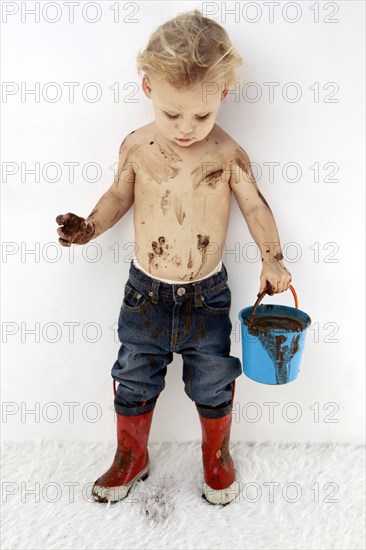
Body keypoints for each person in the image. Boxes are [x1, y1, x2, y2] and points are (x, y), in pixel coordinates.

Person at [55, 9, 292, 506]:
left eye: (201, 115)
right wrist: (91, 225)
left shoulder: (227, 154)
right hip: (145, 294)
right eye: (172, 113)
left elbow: (254, 207)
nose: (186, 128)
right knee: (134, 373)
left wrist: (272, 260)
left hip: (207, 295)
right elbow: (119, 195)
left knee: (212, 379)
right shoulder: (138, 147)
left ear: (223, 95)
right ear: (148, 90)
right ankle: (131, 456)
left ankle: (216, 456)